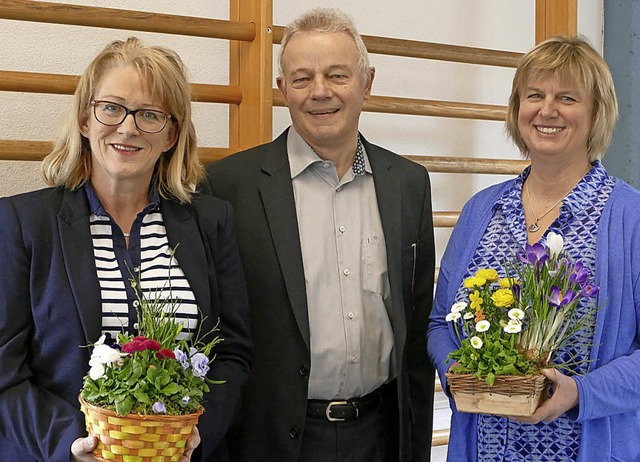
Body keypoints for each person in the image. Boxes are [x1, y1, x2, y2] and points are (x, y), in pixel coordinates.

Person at [200, 7, 435, 462]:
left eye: (337, 75)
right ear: (282, 89)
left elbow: (418, 330)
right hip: (270, 440)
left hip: (382, 435)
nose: (320, 92)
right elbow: (215, 336)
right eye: (302, 78)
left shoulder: (408, 183)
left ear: (367, 83)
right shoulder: (227, 188)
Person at [0, 37, 251, 462]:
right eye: (112, 108)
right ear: (85, 118)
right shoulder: (23, 224)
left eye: (150, 114)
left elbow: (233, 353)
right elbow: (4, 374)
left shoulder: (211, 223)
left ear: (172, 134)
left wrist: (195, 434)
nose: (128, 127)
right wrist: (75, 445)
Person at [427, 35, 640, 461]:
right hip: (482, 449)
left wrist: (579, 392)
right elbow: (439, 324)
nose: (547, 110)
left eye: (567, 97)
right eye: (534, 95)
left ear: (596, 112)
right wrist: (458, 374)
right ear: (517, 109)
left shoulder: (630, 218)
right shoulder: (480, 211)